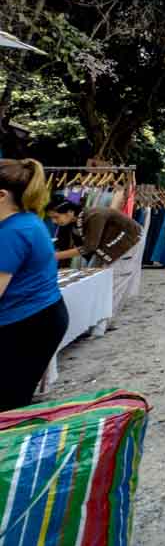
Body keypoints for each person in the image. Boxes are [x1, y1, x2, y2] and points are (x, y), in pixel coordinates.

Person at [0, 158, 68, 410]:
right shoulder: (27, 221)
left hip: (26, 325)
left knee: (8, 403)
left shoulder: (12, 232)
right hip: (38, 317)